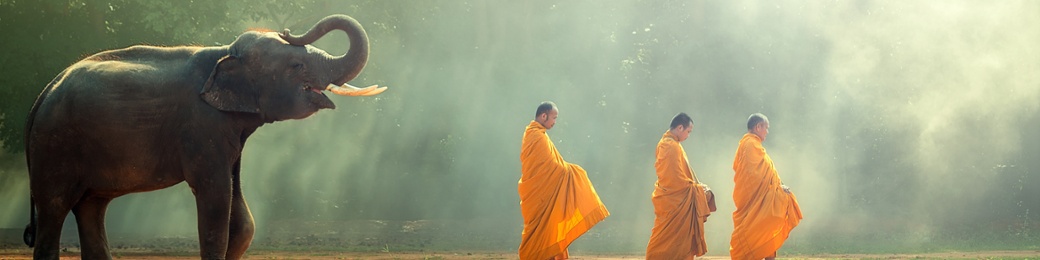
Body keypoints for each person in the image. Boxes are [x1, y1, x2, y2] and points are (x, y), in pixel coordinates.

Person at [518, 101, 610, 260]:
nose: (554, 122)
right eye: (554, 118)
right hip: (538, 194)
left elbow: (549, 164)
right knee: (577, 173)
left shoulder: (539, 135)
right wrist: (570, 171)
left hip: (544, 194)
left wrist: (567, 169)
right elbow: (549, 167)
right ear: (544, 115)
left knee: (550, 230)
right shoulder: (535, 135)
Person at [730, 113, 803, 260]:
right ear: (758, 127)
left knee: (767, 229)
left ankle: (769, 255)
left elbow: (766, 172)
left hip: (760, 199)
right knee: (761, 229)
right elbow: (753, 176)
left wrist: (778, 185)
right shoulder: (750, 145)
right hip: (756, 201)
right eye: (766, 128)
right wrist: (776, 188)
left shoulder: (751, 144)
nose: (767, 132)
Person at [646, 113, 714, 260]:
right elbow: (675, 180)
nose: (688, 135)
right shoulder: (670, 146)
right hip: (674, 199)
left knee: (672, 240)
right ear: (680, 127)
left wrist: (696, 186)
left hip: (672, 199)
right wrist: (697, 189)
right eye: (688, 131)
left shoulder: (670, 144)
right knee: (665, 240)